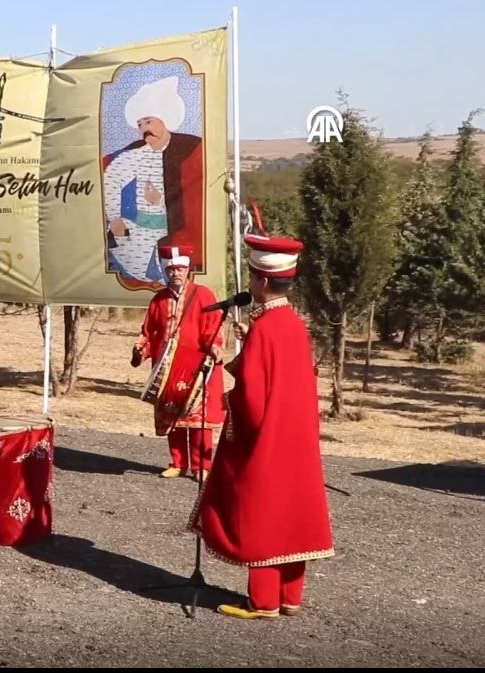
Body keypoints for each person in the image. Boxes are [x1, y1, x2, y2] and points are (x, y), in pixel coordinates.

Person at [188, 233, 334, 619]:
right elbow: (282, 379)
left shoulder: (266, 328)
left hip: (267, 437)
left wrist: (228, 401)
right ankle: (289, 597)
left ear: (263, 281)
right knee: (291, 507)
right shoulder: (292, 325)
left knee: (263, 507)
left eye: (252, 278)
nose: (250, 285)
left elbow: (252, 398)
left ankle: (263, 601)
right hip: (296, 436)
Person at [131, 244, 225, 479]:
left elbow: (213, 325)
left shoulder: (203, 295)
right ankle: (178, 462)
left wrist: (214, 346)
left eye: (180, 268)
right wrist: (140, 350)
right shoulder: (158, 300)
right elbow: (149, 332)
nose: (176, 273)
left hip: (196, 365)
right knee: (173, 416)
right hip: (168, 368)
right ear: (166, 271)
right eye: (171, 269)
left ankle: (201, 465)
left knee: (197, 419)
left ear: (188, 270)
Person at [102, 75, 205, 285]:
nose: (144, 129)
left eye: (149, 121)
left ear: (165, 120)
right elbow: (110, 181)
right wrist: (114, 218)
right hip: (138, 233)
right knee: (139, 273)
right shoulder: (134, 155)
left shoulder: (190, 149)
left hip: (172, 232)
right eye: (140, 124)